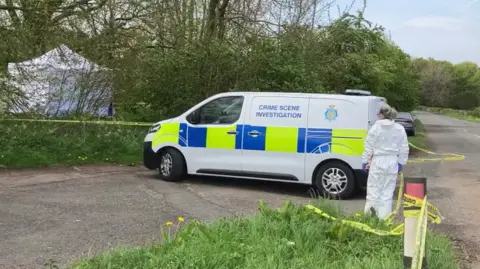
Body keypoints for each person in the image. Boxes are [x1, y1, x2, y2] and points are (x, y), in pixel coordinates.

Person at [361, 103, 409, 219]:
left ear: (382, 115)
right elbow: (404, 148)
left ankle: (369, 218)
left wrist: (365, 161)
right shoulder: (399, 129)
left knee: (373, 191)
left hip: (378, 160)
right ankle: (384, 220)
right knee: (387, 192)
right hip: (392, 161)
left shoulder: (375, 128)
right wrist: (401, 163)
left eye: (378, 114)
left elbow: (368, 146)